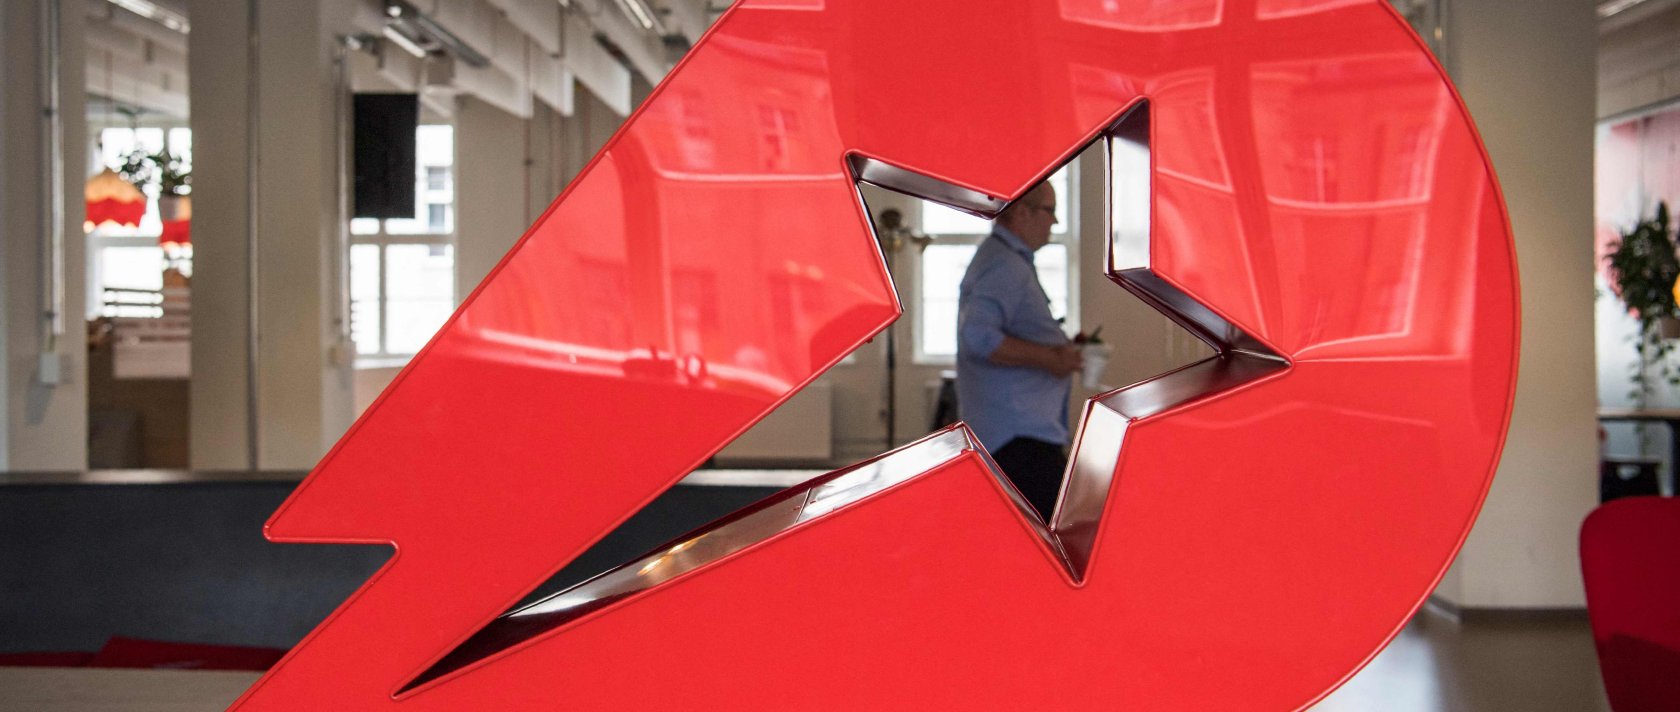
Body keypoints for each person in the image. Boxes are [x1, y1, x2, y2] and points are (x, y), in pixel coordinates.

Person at [956, 181, 1081, 522]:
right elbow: (979, 337)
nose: (1054, 222)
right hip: (1018, 438)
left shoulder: (1005, 260)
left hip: (1016, 434)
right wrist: (1052, 359)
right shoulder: (1005, 266)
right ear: (1022, 213)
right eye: (1050, 210)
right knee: (1051, 548)